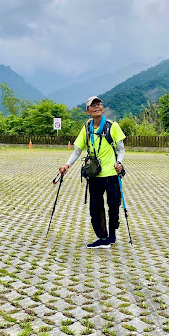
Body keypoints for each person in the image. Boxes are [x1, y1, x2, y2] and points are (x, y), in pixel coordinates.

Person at [59, 96, 126, 249]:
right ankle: (103, 237)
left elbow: (121, 149)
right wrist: (66, 165)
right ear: (87, 111)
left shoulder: (112, 126)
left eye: (99, 104)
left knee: (113, 206)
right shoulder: (87, 128)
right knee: (95, 207)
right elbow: (77, 151)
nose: (97, 106)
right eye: (93, 105)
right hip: (94, 175)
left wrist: (119, 162)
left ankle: (112, 236)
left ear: (102, 108)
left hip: (111, 174)